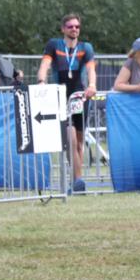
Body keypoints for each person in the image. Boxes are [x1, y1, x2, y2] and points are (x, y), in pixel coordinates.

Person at [36, 13, 97, 193]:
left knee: (78, 143)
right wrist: (41, 82)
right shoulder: (54, 45)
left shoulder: (86, 47)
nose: (74, 29)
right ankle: (78, 181)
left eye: (77, 26)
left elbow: (91, 69)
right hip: (60, 97)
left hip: (80, 97)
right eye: (70, 26)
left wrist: (92, 85)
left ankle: (76, 182)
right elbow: (44, 66)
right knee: (69, 137)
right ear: (63, 29)